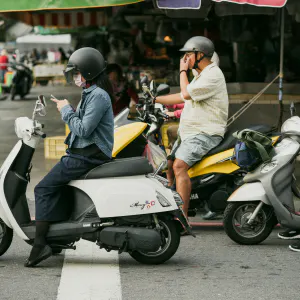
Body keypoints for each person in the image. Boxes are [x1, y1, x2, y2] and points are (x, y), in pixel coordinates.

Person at [25, 47, 114, 267]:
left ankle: (40, 245)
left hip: (89, 156)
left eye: (77, 73)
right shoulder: (92, 93)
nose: (75, 77)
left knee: (42, 188)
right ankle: (57, 237)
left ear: (89, 72)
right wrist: (69, 108)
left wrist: (66, 111)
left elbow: (83, 130)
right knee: (57, 185)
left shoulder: (98, 96)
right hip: (83, 153)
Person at [154, 37, 228, 218]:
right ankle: (175, 202)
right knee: (169, 164)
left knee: (179, 166)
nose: (185, 59)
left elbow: (185, 94)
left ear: (200, 54)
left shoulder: (213, 74)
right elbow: (181, 95)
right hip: (190, 133)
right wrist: (153, 100)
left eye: (188, 54)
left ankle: (182, 217)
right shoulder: (200, 76)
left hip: (205, 133)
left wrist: (182, 71)